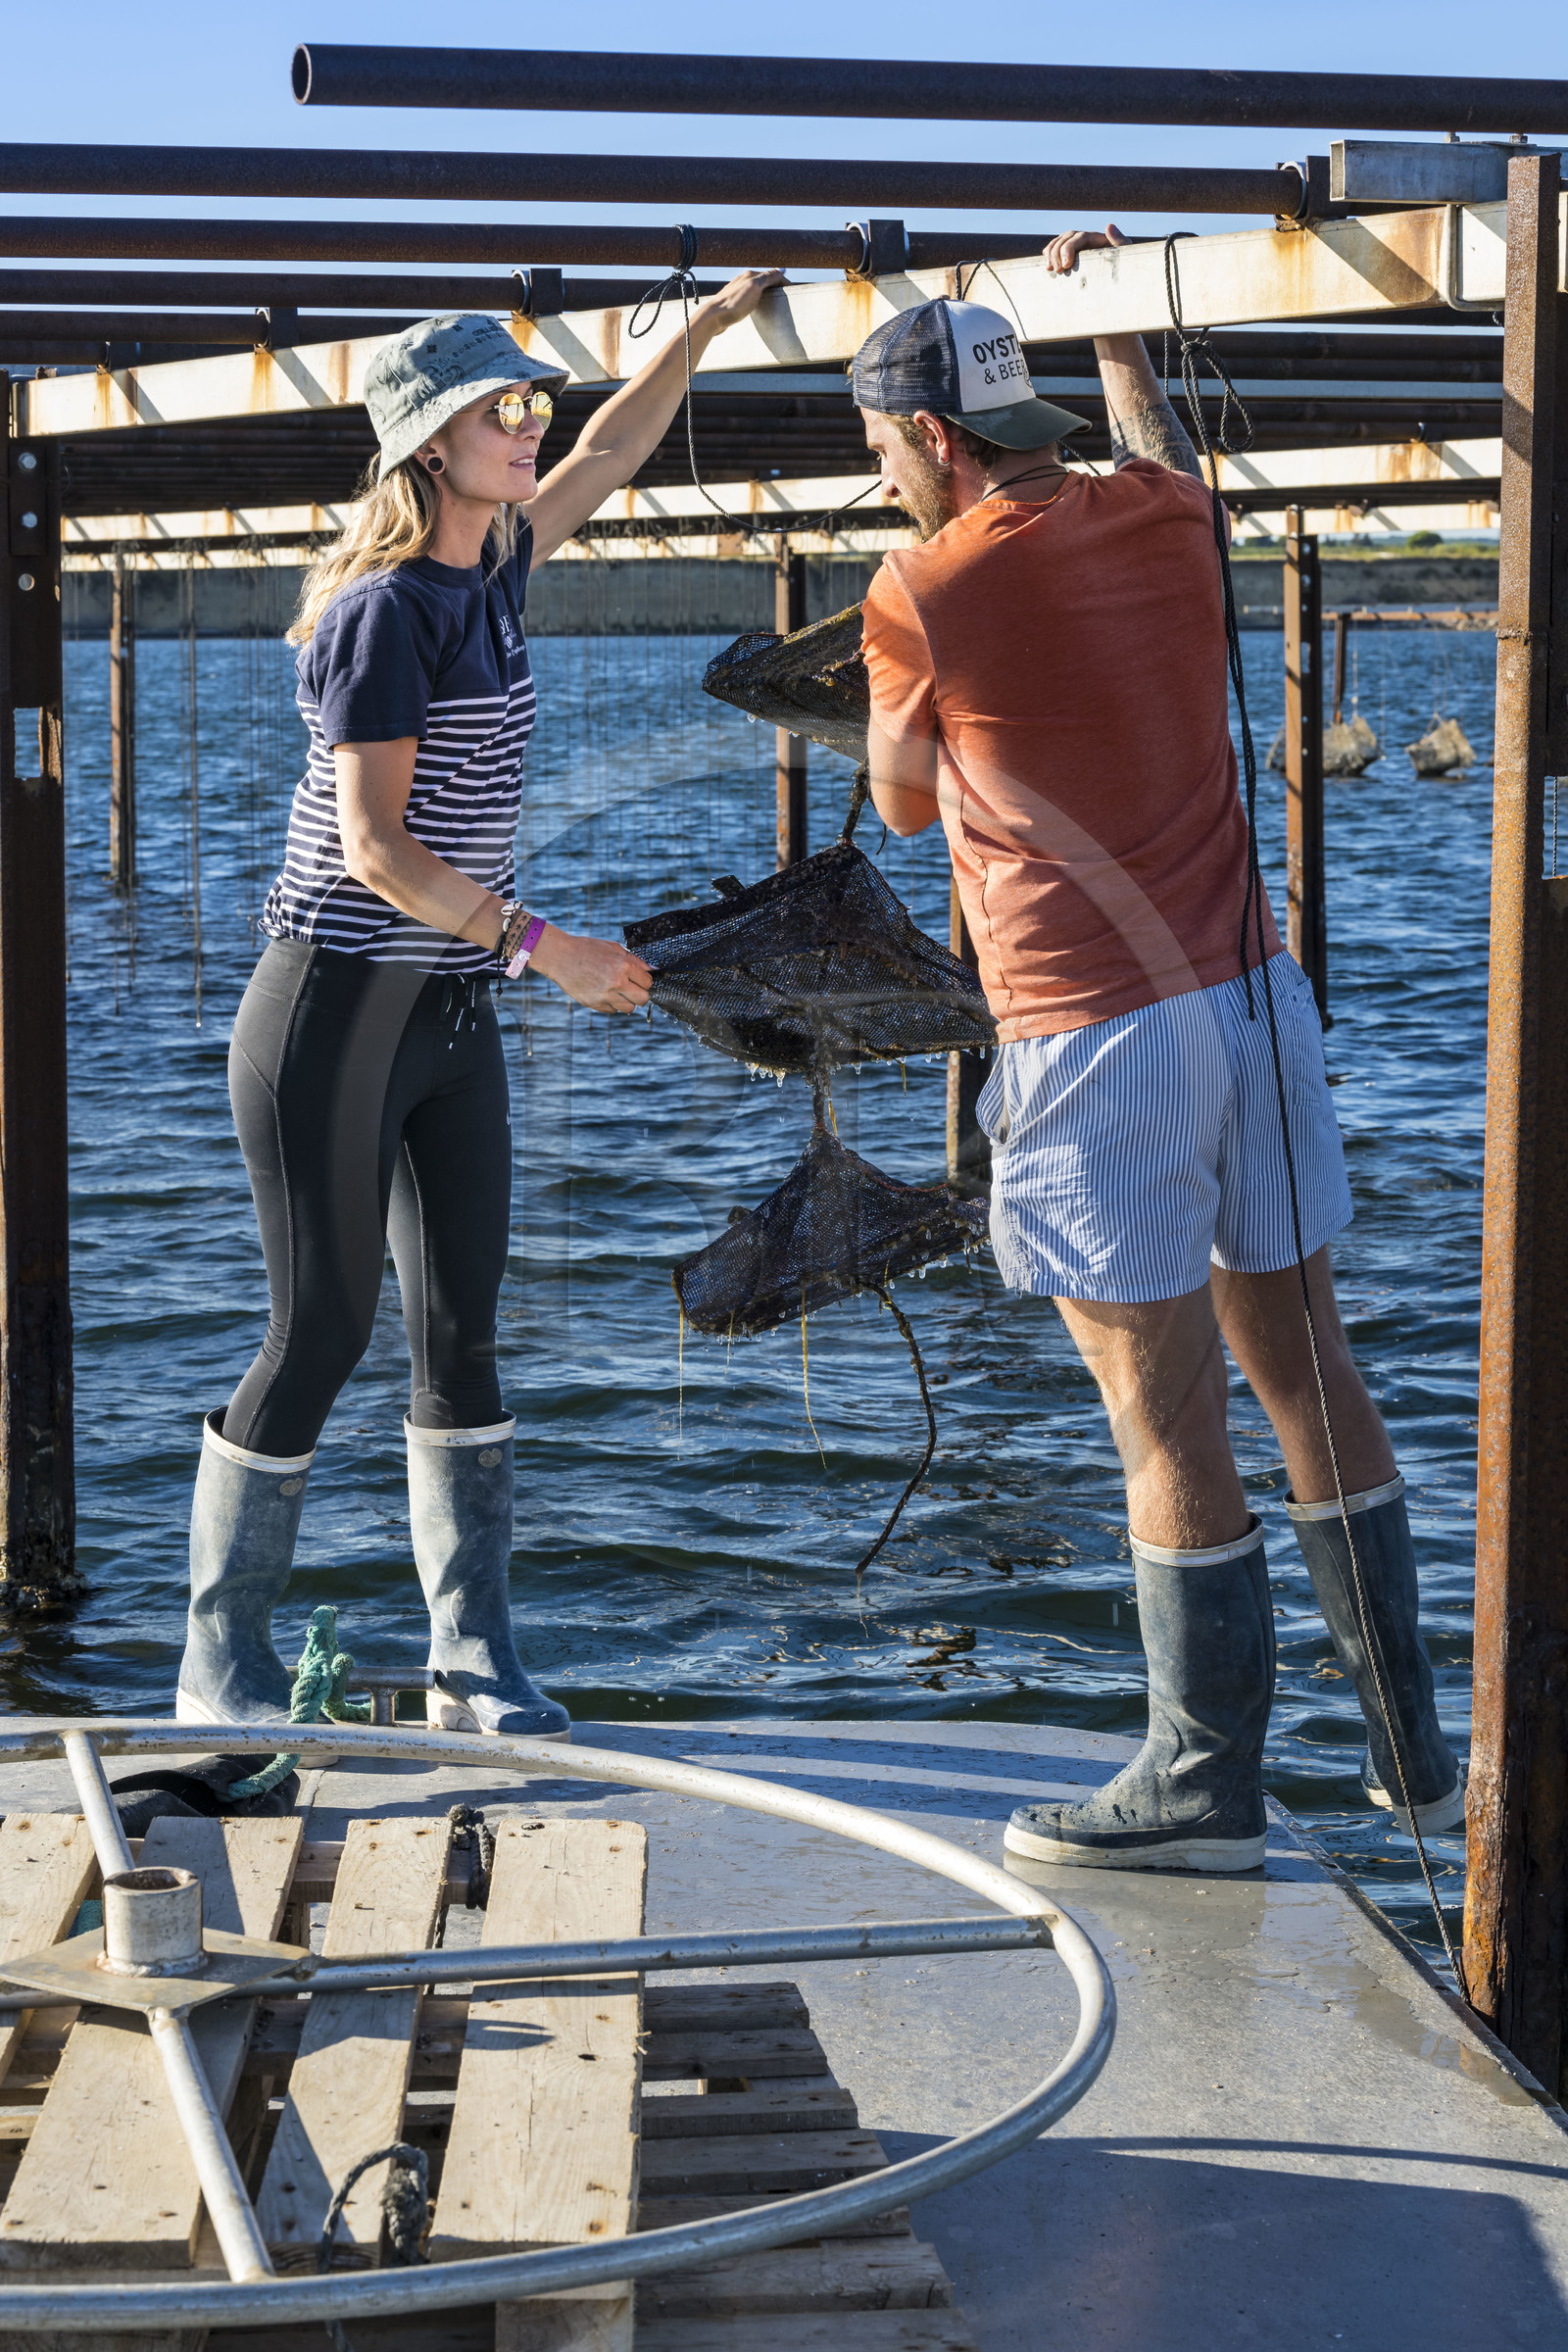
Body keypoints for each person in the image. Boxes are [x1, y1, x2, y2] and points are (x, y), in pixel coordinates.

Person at [853, 233, 1461, 1870]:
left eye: (881, 453)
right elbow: (1162, 446)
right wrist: (1116, 315)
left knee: (1161, 1416)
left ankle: (1200, 1781)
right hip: (1251, 1001)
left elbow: (904, 805)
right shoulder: (1169, 512)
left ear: (928, 440)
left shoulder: (923, 585)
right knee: (1308, 1365)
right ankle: (1416, 1760)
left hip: (1088, 1027)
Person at [176, 278, 784, 1741]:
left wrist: (692, 339)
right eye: (501, 407)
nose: (532, 424)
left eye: (533, 401)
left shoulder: (494, 564)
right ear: (428, 444)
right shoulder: (383, 613)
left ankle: (476, 1665)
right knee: (321, 1328)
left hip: (447, 1015)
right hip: (332, 1006)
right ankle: (220, 1672)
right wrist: (547, 948)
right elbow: (378, 852)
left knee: (464, 1335)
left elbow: (612, 457)